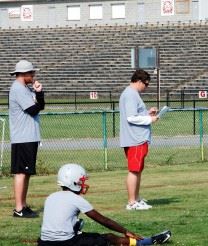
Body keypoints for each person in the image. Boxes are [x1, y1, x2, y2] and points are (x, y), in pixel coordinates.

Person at [38, 163, 171, 246]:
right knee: (109, 237)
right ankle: (146, 242)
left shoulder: (50, 197)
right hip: (66, 243)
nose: (83, 184)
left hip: (43, 243)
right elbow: (103, 220)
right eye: (81, 181)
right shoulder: (76, 199)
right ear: (74, 182)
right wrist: (126, 231)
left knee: (80, 228)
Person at [9, 60, 45, 218]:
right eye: (31, 73)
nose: (33, 75)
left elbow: (40, 106)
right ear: (23, 74)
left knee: (26, 172)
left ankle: (23, 205)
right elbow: (33, 109)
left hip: (29, 136)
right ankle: (19, 209)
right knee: (21, 173)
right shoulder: (18, 89)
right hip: (22, 137)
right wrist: (38, 97)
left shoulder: (25, 88)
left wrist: (38, 93)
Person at [119, 69, 159, 210]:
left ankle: (136, 198)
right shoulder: (130, 94)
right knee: (134, 170)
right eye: (146, 84)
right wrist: (150, 119)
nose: (146, 87)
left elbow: (135, 114)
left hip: (138, 138)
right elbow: (131, 117)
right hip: (135, 138)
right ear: (139, 81)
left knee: (138, 170)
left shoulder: (132, 94)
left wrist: (147, 113)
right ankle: (131, 202)